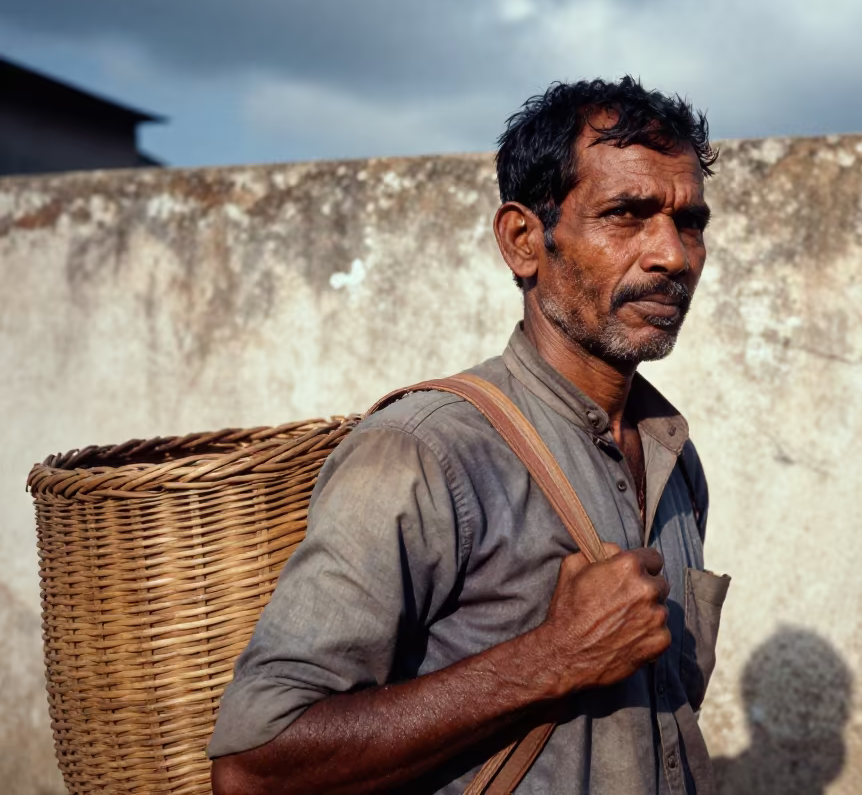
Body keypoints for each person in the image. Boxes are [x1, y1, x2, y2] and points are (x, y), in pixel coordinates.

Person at [209, 76, 730, 795]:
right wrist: (554, 657)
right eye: (626, 214)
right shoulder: (424, 451)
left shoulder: (676, 458)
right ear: (524, 241)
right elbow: (254, 767)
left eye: (689, 222)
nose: (672, 255)